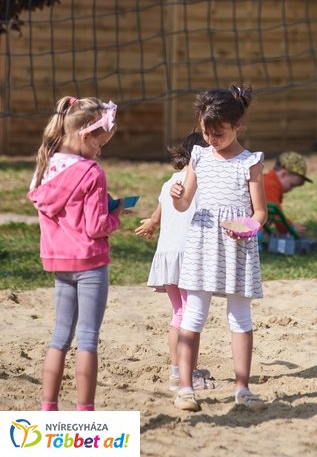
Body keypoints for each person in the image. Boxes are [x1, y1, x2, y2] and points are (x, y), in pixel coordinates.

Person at [170, 84, 267, 412]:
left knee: (240, 316)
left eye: (219, 133)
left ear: (237, 125)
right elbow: (185, 204)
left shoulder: (250, 162)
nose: (212, 139)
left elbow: (260, 212)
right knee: (194, 313)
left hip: (237, 247)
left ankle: (242, 388)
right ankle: (185, 387)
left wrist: (247, 228)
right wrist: (178, 198)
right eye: (206, 132)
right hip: (202, 244)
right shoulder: (198, 156)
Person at [27, 96, 126, 412]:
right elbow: (97, 226)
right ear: (86, 135)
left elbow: (54, 206)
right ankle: (85, 413)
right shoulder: (92, 172)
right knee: (87, 339)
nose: (101, 150)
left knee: (59, 336)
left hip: (60, 262)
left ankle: (48, 408)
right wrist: (117, 213)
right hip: (90, 263)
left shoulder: (46, 163)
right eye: (100, 143)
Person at [135, 131, 214, 392]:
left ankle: (176, 370)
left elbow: (159, 213)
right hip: (188, 254)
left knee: (179, 314)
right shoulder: (201, 181)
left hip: (168, 254)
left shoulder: (169, 181)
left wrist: (151, 223)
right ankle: (187, 374)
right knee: (192, 317)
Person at [263, 151, 312, 234]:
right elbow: (275, 213)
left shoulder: (265, 180)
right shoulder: (270, 185)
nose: (291, 190)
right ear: (283, 174)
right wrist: (290, 228)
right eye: (291, 185)